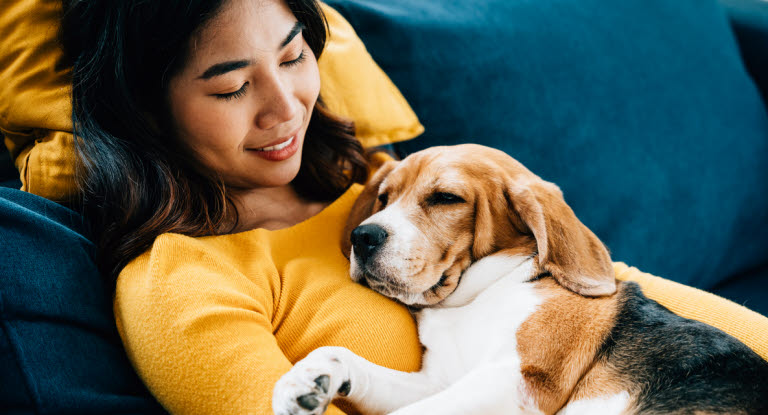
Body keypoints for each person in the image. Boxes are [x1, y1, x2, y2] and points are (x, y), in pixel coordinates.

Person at [60, 0, 422, 413]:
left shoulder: (384, 181)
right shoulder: (181, 284)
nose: (286, 109)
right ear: (145, 110)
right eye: (232, 87)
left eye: (292, 57)